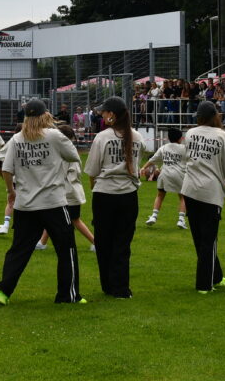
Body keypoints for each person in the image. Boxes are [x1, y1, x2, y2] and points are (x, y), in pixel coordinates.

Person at [0, 99, 83, 305]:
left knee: (19, 250)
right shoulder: (54, 135)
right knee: (66, 248)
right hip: (53, 203)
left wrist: (10, 191)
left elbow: (6, 169)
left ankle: (3, 292)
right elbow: (74, 156)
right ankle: (67, 295)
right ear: (45, 115)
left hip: (25, 204)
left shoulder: (17, 138)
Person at [84, 96, 143, 299]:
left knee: (104, 241)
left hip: (104, 194)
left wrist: (95, 188)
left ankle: (108, 285)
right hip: (128, 194)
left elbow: (92, 169)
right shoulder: (136, 136)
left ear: (112, 115)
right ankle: (121, 288)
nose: (102, 114)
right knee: (122, 242)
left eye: (105, 112)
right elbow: (136, 167)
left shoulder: (103, 137)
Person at [180, 101, 225, 294]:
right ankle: (205, 284)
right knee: (209, 240)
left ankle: (216, 276)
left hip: (190, 190)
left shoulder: (190, 133)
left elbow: (186, 158)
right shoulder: (222, 135)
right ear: (215, 115)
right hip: (210, 191)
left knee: (200, 238)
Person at [37, 124, 97, 251]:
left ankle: (95, 242)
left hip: (69, 192)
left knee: (75, 220)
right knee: (52, 216)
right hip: (64, 191)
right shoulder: (64, 150)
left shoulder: (69, 152)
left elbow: (72, 175)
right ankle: (42, 242)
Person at [141, 127, 187, 229]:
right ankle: (181, 219)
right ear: (180, 138)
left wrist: (143, 167)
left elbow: (153, 160)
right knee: (183, 197)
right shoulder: (184, 148)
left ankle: (153, 216)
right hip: (179, 174)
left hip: (164, 174)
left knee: (160, 195)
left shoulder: (164, 147)